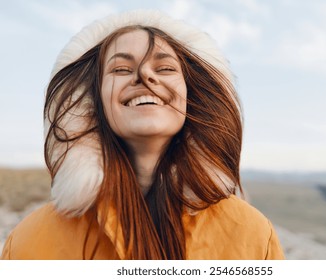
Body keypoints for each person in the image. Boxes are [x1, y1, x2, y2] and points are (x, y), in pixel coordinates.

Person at [1, 10, 284, 260]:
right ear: (91, 101)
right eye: (121, 69)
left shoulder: (254, 236)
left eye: (165, 68)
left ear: (192, 96)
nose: (145, 76)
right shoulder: (29, 243)